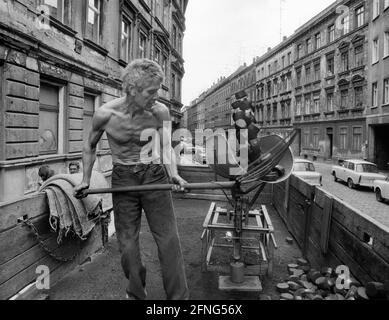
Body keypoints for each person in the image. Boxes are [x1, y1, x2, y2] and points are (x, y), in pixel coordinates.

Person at [74, 59, 189, 300]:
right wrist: (85, 179)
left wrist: (174, 174)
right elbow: (89, 145)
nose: (156, 96)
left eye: (158, 90)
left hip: (154, 175)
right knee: (127, 245)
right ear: (133, 89)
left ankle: (179, 298)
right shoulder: (105, 114)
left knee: (169, 241)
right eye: (151, 91)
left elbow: (167, 146)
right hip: (123, 179)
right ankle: (137, 293)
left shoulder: (160, 111)